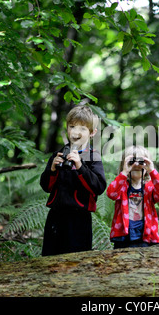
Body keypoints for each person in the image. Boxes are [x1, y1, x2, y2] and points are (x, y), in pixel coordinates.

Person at [40, 105, 106, 256]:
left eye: (83, 128)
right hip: (56, 216)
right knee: (51, 257)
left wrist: (80, 166)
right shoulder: (59, 154)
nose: (76, 132)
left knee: (77, 259)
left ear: (92, 133)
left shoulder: (93, 157)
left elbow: (99, 187)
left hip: (79, 218)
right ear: (67, 129)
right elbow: (46, 186)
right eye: (72, 127)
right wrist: (52, 170)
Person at [107, 145, 159, 249]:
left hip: (145, 232)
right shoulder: (122, 185)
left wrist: (152, 170)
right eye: (131, 162)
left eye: (141, 162)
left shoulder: (149, 187)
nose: (136, 165)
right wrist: (124, 172)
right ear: (124, 164)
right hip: (124, 233)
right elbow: (111, 193)